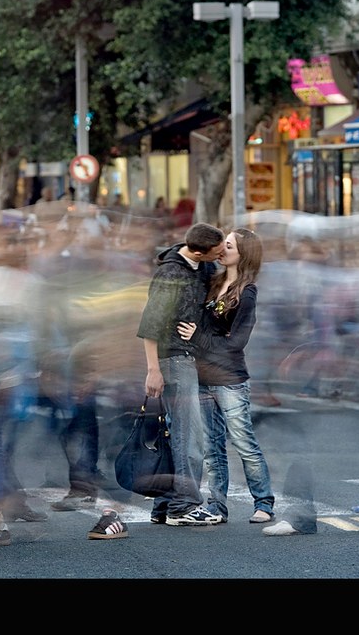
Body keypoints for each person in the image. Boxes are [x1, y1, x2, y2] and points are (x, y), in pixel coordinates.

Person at [177, 227, 275, 524]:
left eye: (228, 245)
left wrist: (199, 338)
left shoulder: (247, 292)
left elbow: (236, 343)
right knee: (211, 448)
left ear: (242, 254)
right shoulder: (212, 279)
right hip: (202, 376)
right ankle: (216, 506)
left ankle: (264, 503)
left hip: (230, 380)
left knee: (244, 442)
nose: (222, 249)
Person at [137, 221, 226, 526]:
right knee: (189, 436)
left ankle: (165, 503)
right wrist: (152, 370)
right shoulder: (171, 273)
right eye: (217, 251)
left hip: (186, 358)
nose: (221, 254)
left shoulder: (200, 267)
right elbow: (150, 324)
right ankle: (184, 505)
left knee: (178, 433)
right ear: (200, 253)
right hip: (172, 359)